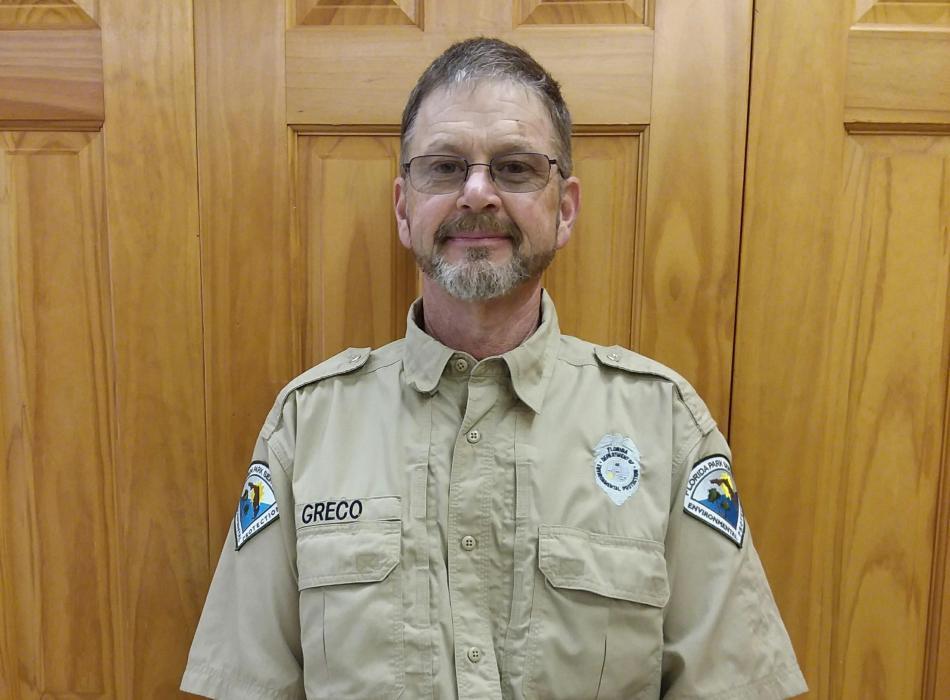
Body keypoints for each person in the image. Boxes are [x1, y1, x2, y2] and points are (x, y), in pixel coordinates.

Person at [181, 37, 807, 700]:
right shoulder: (307, 427)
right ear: (403, 207)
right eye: (445, 168)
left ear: (564, 209)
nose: (477, 193)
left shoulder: (666, 428)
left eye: (513, 168)